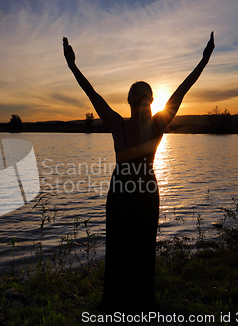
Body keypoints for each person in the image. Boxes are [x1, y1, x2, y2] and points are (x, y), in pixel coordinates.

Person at [63, 32, 214, 314]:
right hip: (136, 189)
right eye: (142, 95)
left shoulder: (133, 124)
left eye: (140, 94)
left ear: (137, 100)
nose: (141, 99)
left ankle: (132, 302)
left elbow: (182, 89)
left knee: (133, 246)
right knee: (129, 246)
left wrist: (204, 60)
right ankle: (126, 303)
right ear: (143, 101)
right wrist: (72, 66)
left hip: (130, 188)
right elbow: (181, 91)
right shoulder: (141, 125)